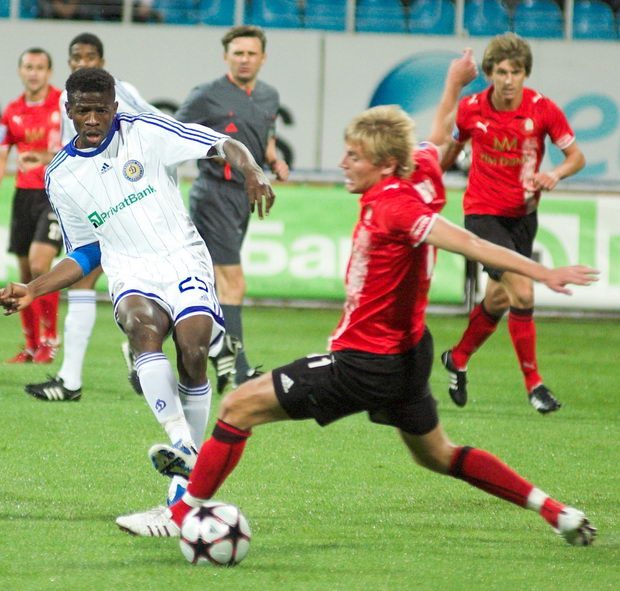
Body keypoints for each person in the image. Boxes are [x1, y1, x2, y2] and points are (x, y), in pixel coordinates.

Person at [114, 100, 598, 545]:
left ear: (385, 165)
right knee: (439, 454)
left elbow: (472, 244)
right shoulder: (416, 167)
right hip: (409, 355)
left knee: (238, 406)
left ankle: (181, 513)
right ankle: (555, 511)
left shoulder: (396, 207)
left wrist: (543, 273)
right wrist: (454, 83)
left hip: (365, 362)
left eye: (354, 156)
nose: (343, 163)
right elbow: (432, 142)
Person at [0, 67, 275, 507]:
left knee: (194, 350)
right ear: (68, 110)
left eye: (100, 110)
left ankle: (186, 474)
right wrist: (35, 288)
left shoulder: (147, 132)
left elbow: (222, 143)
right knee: (142, 327)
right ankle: (182, 443)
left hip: (181, 256)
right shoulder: (61, 176)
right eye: (82, 111)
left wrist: (252, 169)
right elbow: (86, 252)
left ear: (114, 107)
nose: (91, 119)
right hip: (129, 268)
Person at [439, 33, 586, 414]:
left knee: (499, 299)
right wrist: (427, 181)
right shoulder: (470, 110)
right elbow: (450, 151)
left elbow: (576, 157)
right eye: (501, 72)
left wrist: (555, 174)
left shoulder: (543, 109)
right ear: (489, 73)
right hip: (482, 216)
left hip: (523, 216)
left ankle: (457, 357)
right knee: (523, 291)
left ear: (525, 74)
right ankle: (534, 385)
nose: (508, 80)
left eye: (515, 72)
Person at [25, 32, 163, 402]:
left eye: (89, 57)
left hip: (125, 199)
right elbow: (76, 150)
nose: (82, 63)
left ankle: (137, 351)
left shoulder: (121, 92)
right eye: (76, 57)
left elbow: (156, 126)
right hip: (90, 199)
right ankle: (75, 377)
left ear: (101, 61)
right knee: (86, 280)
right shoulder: (67, 100)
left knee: (130, 279)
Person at [175, 25, 290, 394]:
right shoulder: (205, 96)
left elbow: (266, 136)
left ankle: (149, 351)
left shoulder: (269, 95)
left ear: (263, 58)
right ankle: (240, 370)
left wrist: (274, 159)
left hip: (244, 198)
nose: (244, 59)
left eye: (251, 53)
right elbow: (172, 135)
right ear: (226, 56)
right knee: (232, 282)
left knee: (204, 283)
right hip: (213, 195)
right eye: (238, 53)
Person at [0, 48, 62, 364]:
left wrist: (44, 158)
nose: (34, 73)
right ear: (20, 71)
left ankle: (50, 339)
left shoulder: (63, 105)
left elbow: (76, 147)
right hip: (24, 196)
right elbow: (0, 157)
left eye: (40, 67)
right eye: (28, 67)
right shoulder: (12, 111)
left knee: (41, 265)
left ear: (49, 72)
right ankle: (31, 345)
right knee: (26, 273)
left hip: (54, 195)